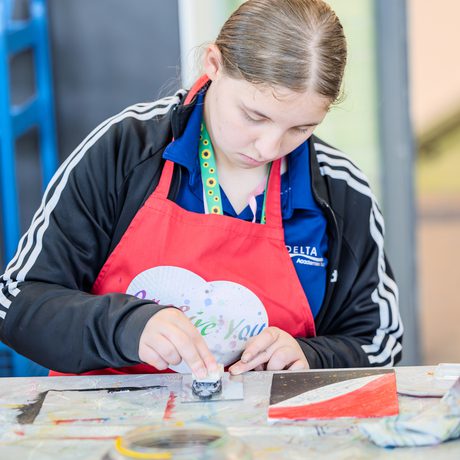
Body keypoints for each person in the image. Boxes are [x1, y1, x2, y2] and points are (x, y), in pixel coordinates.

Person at [0, 0, 403, 378]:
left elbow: (380, 343)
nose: (268, 148)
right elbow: (16, 303)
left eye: (301, 128)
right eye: (253, 115)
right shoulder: (123, 151)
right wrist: (125, 326)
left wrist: (313, 356)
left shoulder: (340, 190)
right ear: (213, 63)